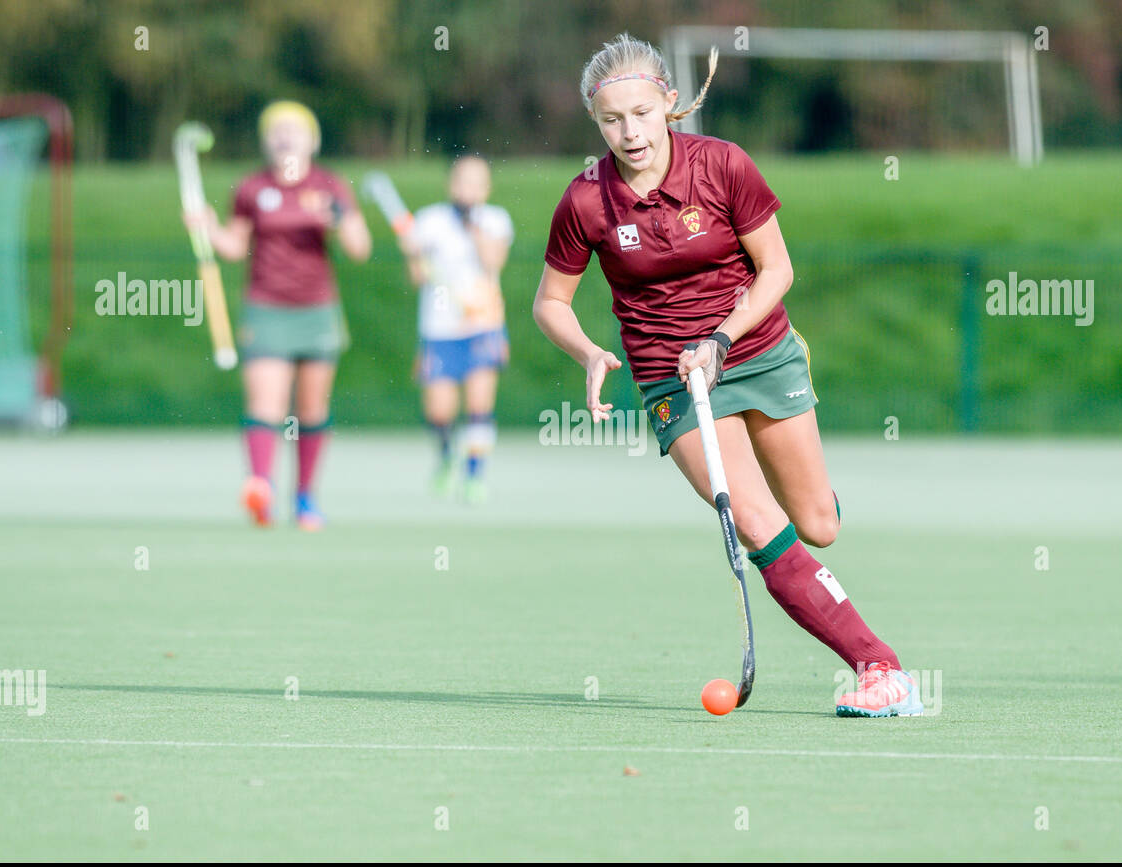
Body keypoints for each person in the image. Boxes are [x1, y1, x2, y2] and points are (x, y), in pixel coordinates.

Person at [533, 34, 922, 716]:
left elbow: (778, 270)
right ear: (596, 122)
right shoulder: (587, 201)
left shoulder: (723, 166)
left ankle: (809, 522)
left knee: (818, 524)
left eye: (642, 114)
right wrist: (590, 353)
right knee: (758, 522)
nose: (630, 132)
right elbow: (549, 302)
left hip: (759, 350)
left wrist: (719, 338)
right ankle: (880, 668)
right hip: (671, 380)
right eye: (611, 120)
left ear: (670, 105)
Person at [185, 100, 371, 529]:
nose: (286, 136)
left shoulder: (331, 186)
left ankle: (306, 499)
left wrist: (339, 220)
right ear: (266, 141)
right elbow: (233, 248)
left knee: (310, 410)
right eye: (277, 130)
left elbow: (360, 250)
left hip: (317, 310)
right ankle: (261, 489)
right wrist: (207, 226)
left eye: (295, 129)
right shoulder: (251, 188)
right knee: (265, 405)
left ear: (313, 140)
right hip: (266, 308)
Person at [391, 156, 513, 503]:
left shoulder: (495, 220)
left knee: (478, 405)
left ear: (487, 188)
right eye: (462, 181)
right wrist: (413, 255)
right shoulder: (429, 221)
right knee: (439, 411)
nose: (469, 189)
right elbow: (416, 279)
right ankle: (446, 455)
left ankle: (475, 476)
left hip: (482, 325)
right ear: (451, 185)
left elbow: (493, 261)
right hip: (439, 329)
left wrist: (472, 227)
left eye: (477, 183)